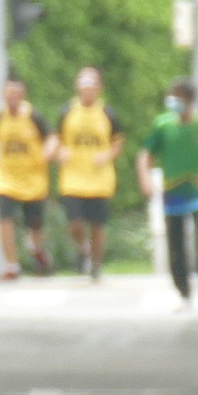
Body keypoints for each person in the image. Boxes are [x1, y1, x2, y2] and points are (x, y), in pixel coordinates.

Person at [138, 77, 198, 310]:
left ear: (189, 100)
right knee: (175, 244)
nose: (173, 102)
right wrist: (146, 180)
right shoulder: (163, 125)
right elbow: (145, 155)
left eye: (177, 98)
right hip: (173, 192)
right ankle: (184, 293)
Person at [50, 66, 124, 282]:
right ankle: (83, 247)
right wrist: (59, 151)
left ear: (99, 88)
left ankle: (96, 264)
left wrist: (107, 155)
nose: (87, 90)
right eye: (84, 85)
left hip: (99, 177)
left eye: (92, 86)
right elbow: (57, 138)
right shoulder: (67, 111)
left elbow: (118, 142)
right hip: (73, 176)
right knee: (75, 223)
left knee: (98, 224)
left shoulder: (107, 114)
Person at [0, 79, 52, 278]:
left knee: (34, 226)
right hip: (6, 179)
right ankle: (12, 266)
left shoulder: (33, 116)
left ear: (23, 94)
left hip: (33, 179)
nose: (12, 97)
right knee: (5, 221)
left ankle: (37, 250)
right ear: (3, 94)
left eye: (16, 93)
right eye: (8, 93)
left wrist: (47, 153)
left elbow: (51, 137)